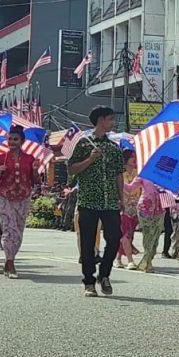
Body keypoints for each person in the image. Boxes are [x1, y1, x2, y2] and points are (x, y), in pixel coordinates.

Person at [67, 106, 125, 297]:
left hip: (110, 202)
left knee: (115, 237)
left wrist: (121, 198)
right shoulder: (84, 144)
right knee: (87, 242)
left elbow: (119, 174)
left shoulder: (114, 148)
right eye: (110, 119)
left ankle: (105, 273)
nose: (113, 123)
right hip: (88, 200)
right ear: (100, 120)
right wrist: (90, 160)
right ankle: (89, 281)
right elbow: (72, 169)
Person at [0, 124, 41, 279]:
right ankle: (10, 261)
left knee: (18, 231)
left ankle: (9, 260)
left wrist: (34, 170)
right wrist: (0, 172)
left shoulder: (30, 159)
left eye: (15, 139)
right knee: (9, 228)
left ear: (22, 141)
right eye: (10, 139)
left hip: (23, 198)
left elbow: (36, 181)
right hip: (4, 197)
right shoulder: (0, 158)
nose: (12, 142)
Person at [123, 174, 162, 273]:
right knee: (148, 235)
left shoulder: (165, 176)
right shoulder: (143, 175)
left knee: (155, 238)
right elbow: (130, 188)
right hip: (145, 208)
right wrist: (118, 181)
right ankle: (147, 262)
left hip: (160, 209)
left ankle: (148, 258)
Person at [117, 151, 141, 271]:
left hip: (136, 208)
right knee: (125, 234)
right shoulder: (120, 174)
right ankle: (130, 260)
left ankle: (118, 258)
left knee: (129, 235)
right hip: (123, 207)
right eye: (132, 157)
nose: (134, 159)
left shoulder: (139, 173)